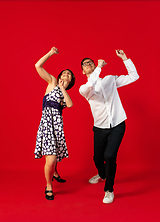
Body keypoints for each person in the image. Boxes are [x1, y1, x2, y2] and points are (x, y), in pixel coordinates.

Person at [79, 50, 139, 204]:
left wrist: (125, 58)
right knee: (97, 158)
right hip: (100, 128)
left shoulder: (110, 80)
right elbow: (90, 84)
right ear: (83, 71)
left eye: (90, 62)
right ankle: (102, 174)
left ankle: (109, 190)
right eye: (85, 64)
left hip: (118, 124)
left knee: (109, 156)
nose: (88, 64)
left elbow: (134, 76)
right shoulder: (84, 89)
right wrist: (98, 67)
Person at [34, 47, 75, 200]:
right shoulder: (51, 81)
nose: (66, 74)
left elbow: (69, 105)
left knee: (55, 153)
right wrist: (50, 54)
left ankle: (55, 172)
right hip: (47, 123)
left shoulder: (64, 92)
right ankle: (49, 184)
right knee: (50, 158)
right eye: (64, 72)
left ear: (70, 81)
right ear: (59, 76)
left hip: (57, 125)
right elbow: (38, 66)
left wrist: (63, 88)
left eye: (69, 75)